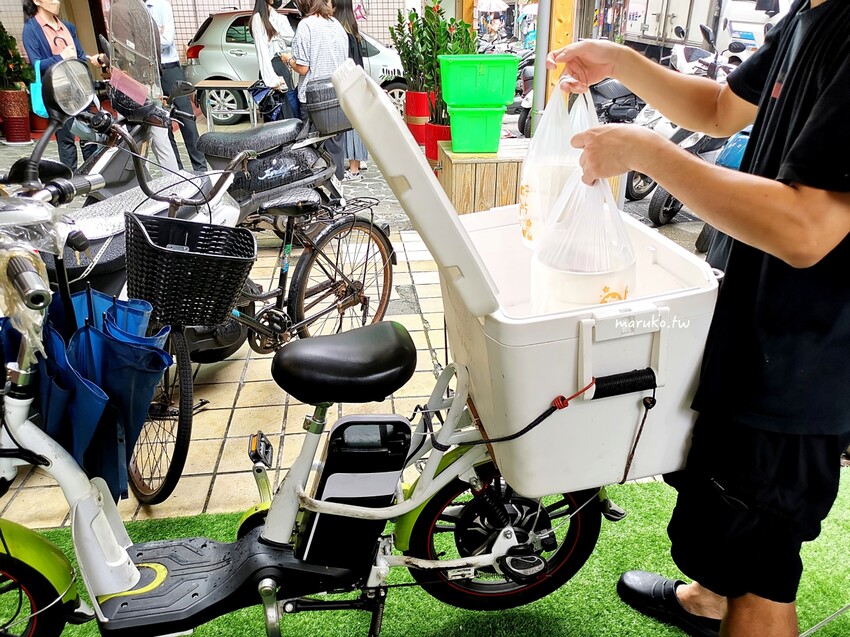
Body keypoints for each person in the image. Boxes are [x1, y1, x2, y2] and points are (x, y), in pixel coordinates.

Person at [547, 1, 850, 636]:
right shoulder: (809, 12)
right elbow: (718, 109)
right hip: (760, 322)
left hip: (806, 358)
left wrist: (648, 154)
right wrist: (621, 61)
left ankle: (734, 604)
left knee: (762, 572)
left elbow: (807, 229)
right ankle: (709, 601)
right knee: (724, 511)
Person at [21, 0, 105, 171]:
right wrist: (61, 57)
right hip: (57, 93)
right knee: (66, 140)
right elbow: (37, 65)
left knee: (89, 136)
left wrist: (87, 59)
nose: (57, 1)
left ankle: (93, 176)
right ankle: (68, 181)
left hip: (80, 88)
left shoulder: (68, 27)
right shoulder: (31, 29)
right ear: (37, 1)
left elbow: (80, 56)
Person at [279, 0, 349, 181]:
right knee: (335, 145)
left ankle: (314, 191)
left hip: (314, 99)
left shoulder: (306, 26)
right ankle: (336, 187)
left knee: (311, 148)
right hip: (337, 95)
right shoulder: (337, 25)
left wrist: (288, 60)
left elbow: (303, 68)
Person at [144, 0, 206, 172]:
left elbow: (167, 40)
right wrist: (156, 34)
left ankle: (201, 169)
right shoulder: (135, 7)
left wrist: (145, 39)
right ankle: (176, 171)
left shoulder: (161, 4)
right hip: (149, 70)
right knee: (162, 122)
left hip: (169, 68)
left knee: (186, 119)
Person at [331, 0, 368, 181]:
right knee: (356, 126)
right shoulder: (354, 32)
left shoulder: (341, 34)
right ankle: (356, 166)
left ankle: (353, 171)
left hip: (346, 84)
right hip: (357, 83)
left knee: (349, 128)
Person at [251, 0, 295, 97]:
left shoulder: (278, 18)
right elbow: (262, 51)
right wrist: (272, 80)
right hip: (272, 67)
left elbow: (291, 38)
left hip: (281, 64)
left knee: (290, 101)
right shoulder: (258, 18)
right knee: (281, 103)